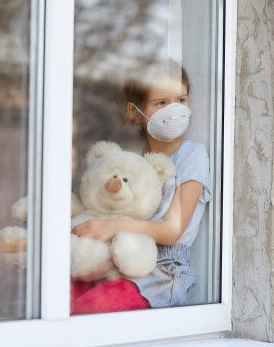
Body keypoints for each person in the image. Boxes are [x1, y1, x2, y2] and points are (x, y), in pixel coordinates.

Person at [71, 59, 212, 310]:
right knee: (62, 296)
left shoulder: (192, 155)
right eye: (161, 103)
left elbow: (172, 231)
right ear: (135, 112)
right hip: (115, 260)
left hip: (159, 273)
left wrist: (112, 226)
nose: (174, 110)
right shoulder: (134, 162)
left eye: (181, 100)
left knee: (91, 308)